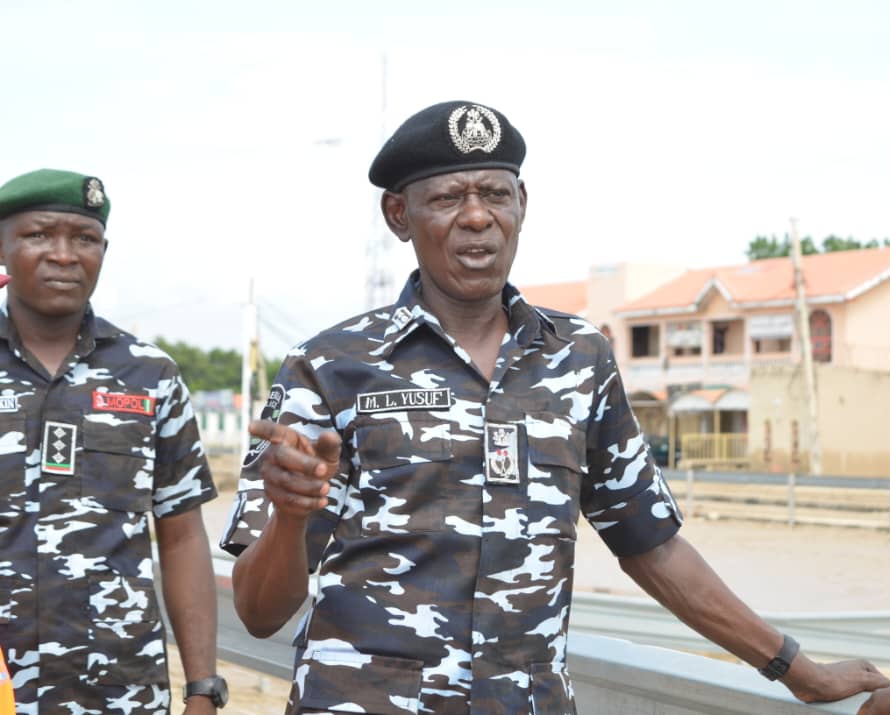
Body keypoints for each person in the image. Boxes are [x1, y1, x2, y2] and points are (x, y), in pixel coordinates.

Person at [220, 101, 890, 714]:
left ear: (523, 203)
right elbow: (255, 609)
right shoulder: (331, 367)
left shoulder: (579, 358)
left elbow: (650, 544)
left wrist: (795, 667)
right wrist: (290, 517)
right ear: (400, 215)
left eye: (495, 193)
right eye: (448, 197)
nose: (477, 216)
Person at [0, 169, 228, 713]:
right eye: (39, 235)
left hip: (116, 689)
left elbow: (181, 537)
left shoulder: (151, 376)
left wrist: (202, 688)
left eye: (85, 239)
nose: (64, 255)